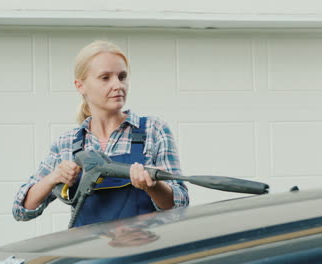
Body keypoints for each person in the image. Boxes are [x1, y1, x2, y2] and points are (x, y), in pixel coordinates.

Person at [12, 40, 189, 227]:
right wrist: (55, 177)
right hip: (89, 254)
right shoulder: (68, 143)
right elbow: (21, 210)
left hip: (144, 253)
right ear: (80, 86)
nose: (118, 85)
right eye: (105, 78)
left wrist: (154, 186)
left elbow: (180, 205)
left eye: (122, 77)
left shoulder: (153, 130)